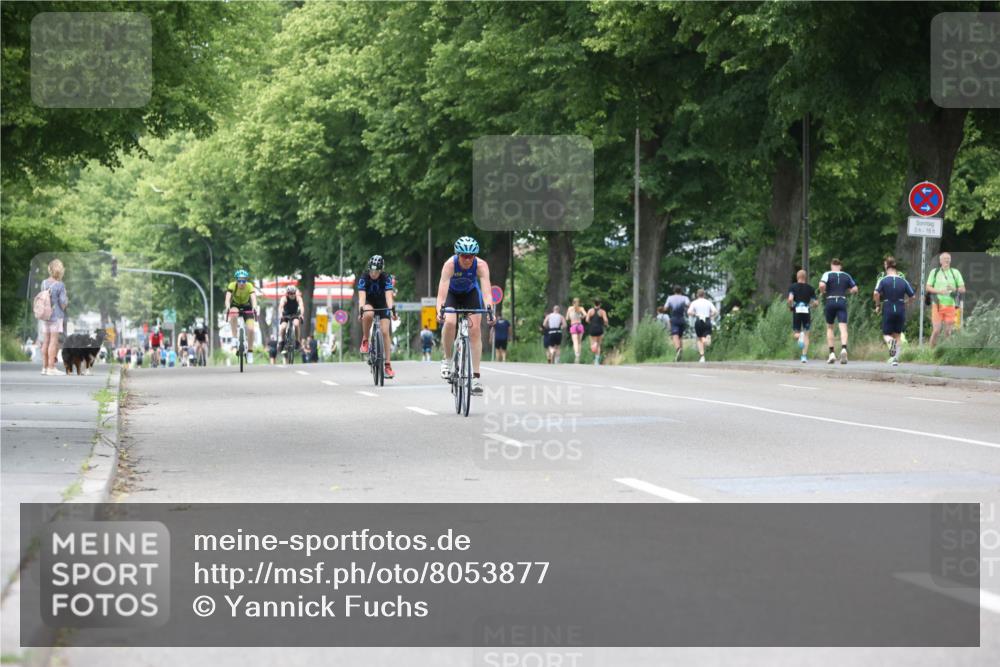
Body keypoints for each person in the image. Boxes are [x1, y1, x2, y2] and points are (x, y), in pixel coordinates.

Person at [437, 236, 495, 395]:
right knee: (449, 322)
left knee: (475, 330)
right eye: (464, 256)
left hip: (470, 294)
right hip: (452, 295)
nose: (468, 259)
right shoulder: (450, 265)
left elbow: (487, 293)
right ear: (458, 254)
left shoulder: (481, 265)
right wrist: (439, 311)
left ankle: (475, 378)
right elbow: (441, 295)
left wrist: (490, 311)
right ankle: (448, 361)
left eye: (471, 256)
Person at [357, 255, 397, 379]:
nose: (373, 274)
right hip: (369, 303)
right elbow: (362, 298)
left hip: (382, 303)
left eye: (376, 271)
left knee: (385, 332)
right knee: (368, 313)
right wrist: (361, 311)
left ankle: (388, 365)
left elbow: (389, 297)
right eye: (372, 271)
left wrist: (392, 311)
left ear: (381, 270)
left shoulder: (386, 278)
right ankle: (365, 338)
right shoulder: (364, 278)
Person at [874, 256, 915, 366]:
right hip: (900, 307)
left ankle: (891, 345)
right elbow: (913, 296)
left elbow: (876, 293)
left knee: (886, 334)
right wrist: (906, 303)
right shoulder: (903, 280)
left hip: (888, 307)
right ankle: (895, 358)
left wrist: (878, 305)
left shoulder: (883, 280)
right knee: (897, 334)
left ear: (886, 266)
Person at [818, 258, 858, 364]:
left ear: (832, 266)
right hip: (841, 300)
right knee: (843, 327)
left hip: (830, 300)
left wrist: (823, 291)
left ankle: (831, 353)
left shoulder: (827, 274)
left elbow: (821, 285)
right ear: (840, 266)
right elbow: (855, 289)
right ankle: (844, 348)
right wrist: (848, 291)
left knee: (830, 327)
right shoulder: (846, 275)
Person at [927, 251, 965, 348]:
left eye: (948, 259)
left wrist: (954, 289)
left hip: (951, 306)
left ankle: (946, 353)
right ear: (940, 261)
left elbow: (963, 289)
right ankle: (930, 352)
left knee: (948, 332)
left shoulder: (955, 272)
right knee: (936, 330)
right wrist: (940, 292)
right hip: (937, 305)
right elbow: (928, 287)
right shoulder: (934, 272)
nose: (947, 260)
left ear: (950, 260)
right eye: (944, 259)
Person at [38, 259, 69, 375]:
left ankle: (44, 367)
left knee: (46, 341)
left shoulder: (44, 283)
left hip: (45, 316)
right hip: (56, 317)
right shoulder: (60, 285)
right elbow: (63, 303)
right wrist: (66, 297)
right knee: (53, 341)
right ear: (60, 271)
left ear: (50, 270)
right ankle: (51, 367)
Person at [225, 269, 258, 364]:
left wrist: (255, 307)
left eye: (244, 280)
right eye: (240, 280)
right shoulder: (232, 285)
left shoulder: (249, 286)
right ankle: (235, 338)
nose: (242, 283)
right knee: (233, 312)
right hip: (236, 306)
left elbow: (253, 298)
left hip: (247, 307)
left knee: (251, 329)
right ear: (236, 280)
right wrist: (227, 306)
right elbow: (227, 299)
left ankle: (250, 352)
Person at [787, 269, 818, 363]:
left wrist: (791, 306)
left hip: (797, 311)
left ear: (797, 277)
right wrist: (810, 306)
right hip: (806, 311)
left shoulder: (792, 287)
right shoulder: (810, 288)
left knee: (796, 333)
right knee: (807, 334)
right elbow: (816, 303)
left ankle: (799, 335)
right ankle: (804, 356)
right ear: (805, 277)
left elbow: (790, 299)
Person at [687, 289, 718, 363]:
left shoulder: (694, 302)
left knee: (699, 338)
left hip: (698, 320)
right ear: (704, 295)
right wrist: (711, 315)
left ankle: (702, 356)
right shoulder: (708, 302)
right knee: (706, 335)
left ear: (697, 295)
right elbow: (715, 311)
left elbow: (689, 312)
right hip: (707, 320)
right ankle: (706, 340)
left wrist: (694, 314)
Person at [663, 286, 690, 362]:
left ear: (674, 291)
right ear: (681, 291)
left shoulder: (670, 298)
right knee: (680, 337)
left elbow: (665, 308)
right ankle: (680, 356)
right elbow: (689, 305)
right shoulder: (685, 298)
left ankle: (678, 349)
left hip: (674, 318)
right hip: (682, 318)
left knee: (675, 335)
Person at [278, 285, 305, 357]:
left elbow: (301, 306)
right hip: (285, 314)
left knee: (296, 324)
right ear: (287, 293)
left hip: (295, 314)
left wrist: (301, 314)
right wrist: (280, 315)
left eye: (293, 293)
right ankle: (282, 342)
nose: (292, 295)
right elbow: (280, 307)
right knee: (283, 327)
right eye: (290, 293)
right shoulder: (284, 298)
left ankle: (297, 342)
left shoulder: (298, 298)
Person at [585, 299, 609, 365]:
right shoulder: (602, 312)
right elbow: (606, 320)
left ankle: (593, 345)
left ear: (594, 303)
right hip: (599, 329)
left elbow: (586, 320)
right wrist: (605, 324)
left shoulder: (590, 311)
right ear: (600, 304)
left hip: (592, 328)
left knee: (593, 344)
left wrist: (591, 322)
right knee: (598, 345)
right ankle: (596, 360)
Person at [566, 298, 587, 363]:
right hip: (580, 326)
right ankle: (579, 356)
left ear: (572, 303)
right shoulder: (581, 308)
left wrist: (570, 317)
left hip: (574, 325)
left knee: (575, 342)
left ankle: (576, 355)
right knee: (579, 342)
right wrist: (581, 317)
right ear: (579, 303)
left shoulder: (570, 308)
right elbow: (585, 315)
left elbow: (567, 318)